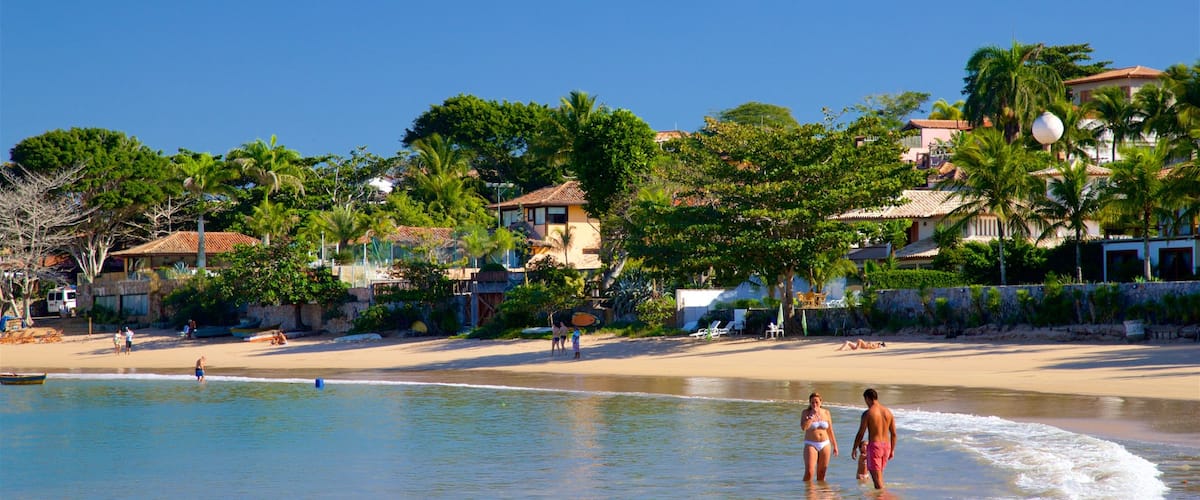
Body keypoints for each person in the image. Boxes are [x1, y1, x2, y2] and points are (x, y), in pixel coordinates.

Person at [852, 388, 896, 490]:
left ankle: (882, 497)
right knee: (879, 477)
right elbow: (893, 434)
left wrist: (854, 448)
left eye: (865, 401)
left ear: (868, 398)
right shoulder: (888, 412)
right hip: (887, 446)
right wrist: (892, 450)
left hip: (875, 447)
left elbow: (861, 433)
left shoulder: (868, 413)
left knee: (877, 482)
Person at [800, 392, 838, 481]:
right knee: (809, 472)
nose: (814, 404)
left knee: (822, 473)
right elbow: (803, 428)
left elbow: (830, 430)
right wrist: (810, 418)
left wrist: (835, 446)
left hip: (825, 444)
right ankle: (808, 492)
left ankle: (821, 493)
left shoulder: (826, 412)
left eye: (816, 402)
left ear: (821, 402)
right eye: (812, 402)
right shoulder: (806, 413)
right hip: (811, 443)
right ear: (809, 403)